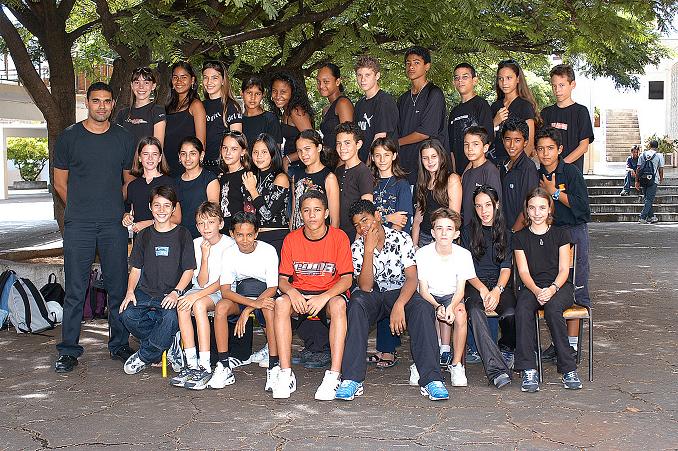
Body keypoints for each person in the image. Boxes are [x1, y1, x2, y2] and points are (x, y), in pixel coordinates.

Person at [53, 81, 136, 373]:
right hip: (79, 224)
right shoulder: (69, 137)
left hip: (113, 224)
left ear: (113, 104)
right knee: (75, 288)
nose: (101, 106)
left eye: (106, 101)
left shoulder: (124, 138)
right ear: (87, 103)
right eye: (96, 100)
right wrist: (80, 207)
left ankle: (119, 344)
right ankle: (68, 350)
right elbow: (60, 183)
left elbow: (128, 181)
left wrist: (115, 207)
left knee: (118, 287)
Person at [336, 200, 449, 401]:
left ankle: (432, 379)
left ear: (378, 216)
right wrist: (368, 250)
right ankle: (352, 379)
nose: (362, 228)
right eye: (357, 225)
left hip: (400, 292)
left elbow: (412, 278)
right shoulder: (357, 247)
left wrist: (399, 304)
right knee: (356, 304)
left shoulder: (401, 238)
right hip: (373, 294)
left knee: (422, 307)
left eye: (365, 220)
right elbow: (365, 287)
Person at [273, 190, 353, 400]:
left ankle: (334, 375)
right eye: (306, 211)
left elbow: (347, 279)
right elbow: (282, 280)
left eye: (317, 210)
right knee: (281, 303)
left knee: (338, 305)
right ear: (300, 214)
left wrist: (324, 297)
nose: (312, 215)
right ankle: (285, 373)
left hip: (328, 294)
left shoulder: (339, 237)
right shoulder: (291, 239)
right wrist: (292, 292)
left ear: (326, 213)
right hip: (301, 294)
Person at [119, 185, 196, 375]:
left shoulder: (183, 234)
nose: (162, 210)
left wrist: (176, 292)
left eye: (167, 205)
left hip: (171, 293)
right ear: (150, 207)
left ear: (174, 208)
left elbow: (189, 270)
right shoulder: (144, 235)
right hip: (146, 292)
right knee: (126, 315)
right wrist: (130, 292)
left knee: (170, 318)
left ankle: (145, 356)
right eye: (157, 205)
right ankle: (168, 341)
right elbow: (136, 269)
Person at [513, 187, 582, 392]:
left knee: (553, 309)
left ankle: (568, 369)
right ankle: (529, 369)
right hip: (531, 286)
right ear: (526, 210)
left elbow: (564, 270)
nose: (537, 213)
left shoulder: (561, 234)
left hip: (559, 286)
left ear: (549, 209)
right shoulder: (519, 237)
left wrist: (551, 289)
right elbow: (523, 272)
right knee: (522, 309)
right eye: (532, 208)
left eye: (542, 208)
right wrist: (537, 291)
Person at [535, 127, 591, 359]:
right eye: (540, 149)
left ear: (560, 149)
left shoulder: (571, 172)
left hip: (573, 234)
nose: (545, 153)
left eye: (550, 148)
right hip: (549, 235)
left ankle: (572, 346)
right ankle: (558, 343)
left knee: (575, 287)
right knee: (553, 289)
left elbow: (583, 208)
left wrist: (554, 193)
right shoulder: (536, 174)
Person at [209, 212, 280, 391]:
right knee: (221, 307)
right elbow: (225, 290)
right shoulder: (229, 253)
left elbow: (273, 287)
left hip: (264, 295)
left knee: (268, 308)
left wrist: (249, 309)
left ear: (256, 233)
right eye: (240, 235)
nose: (245, 240)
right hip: (241, 296)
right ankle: (224, 365)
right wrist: (251, 305)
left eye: (249, 234)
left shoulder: (268, 251)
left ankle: (274, 365)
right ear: (232, 234)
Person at [171, 202, 235, 389]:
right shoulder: (196, 244)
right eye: (201, 223)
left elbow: (223, 282)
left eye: (211, 222)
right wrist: (204, 257)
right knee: (182, 305)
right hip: (202, 289)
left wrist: (195, 297)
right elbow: (201, 281)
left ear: (220, 224)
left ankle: (205, 364)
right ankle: (191, 363)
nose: (206, 227)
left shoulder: (229, 245)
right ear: (197, 226)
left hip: (223, 291)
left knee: (198, 305)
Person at [461, 185, 515, 388]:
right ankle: (497, 370)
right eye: (478, 206)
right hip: (474, 283)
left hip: (499, 284)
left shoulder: (507, 233)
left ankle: (506, 349)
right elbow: (467, 269)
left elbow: (506, 268)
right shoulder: (467, 232)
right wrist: (483, 289)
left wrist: (497, 290)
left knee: (511, 313)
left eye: (488, 205)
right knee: (475, 311)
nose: (483, 211)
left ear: (496, 205)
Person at [367, 136, 413, 367]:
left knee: (391, 290)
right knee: (374, 291)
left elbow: (401, 221)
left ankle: (388, 349)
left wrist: (384, 223)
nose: (382, 159)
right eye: (377, 155)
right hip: (370, 244)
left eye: (386, 154)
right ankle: (379, 346)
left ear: (394, 155)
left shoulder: (401, 184)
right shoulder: (370, 183)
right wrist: (387, 217)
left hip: (394, 247)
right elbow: (366, 219)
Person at [415, 208, 474, 386]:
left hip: (451, 295)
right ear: (433, 232)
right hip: (429, 296)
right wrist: (437, 306)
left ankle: (456, 365)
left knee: (461, 313)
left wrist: (450, 306)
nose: (443, 233)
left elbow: (460, 290)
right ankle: (422, 363)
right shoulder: (422, 254)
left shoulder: (463, 255)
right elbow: (423, 290)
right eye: (439, 228)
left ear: (456, 234)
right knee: (422, 313)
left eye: (449, 228)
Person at [397, 46, 449, 185]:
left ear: (427, 66)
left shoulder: (434, 94)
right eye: (408, 63)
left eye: (416, 62)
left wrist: (396, 143)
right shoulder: (403, 99)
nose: (411, 67)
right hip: (405, 165)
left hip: (428, 167)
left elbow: (425, 132)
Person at [541, 64, 594, 174]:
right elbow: (539, 143)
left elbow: (584, 146)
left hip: (572, 173)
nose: (557, 90)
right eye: (554, 86)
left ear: (572, 84)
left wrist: (561, 166)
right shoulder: (546, 112)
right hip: (548, 173)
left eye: (561, 85)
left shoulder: (581, 112)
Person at [243, 133, 290, 255]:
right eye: (255, 152)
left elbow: (267, 214)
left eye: (264, 152)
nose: (259, 156)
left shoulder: (280, 178)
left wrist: (252, 190)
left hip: (275, 237)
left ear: (273, 153)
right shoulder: (252, 177)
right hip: (254, 238)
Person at [123, 136, 180, 234]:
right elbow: (129, 213)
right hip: (141, 239)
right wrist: (126, 217)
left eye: (154, 154)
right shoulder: (133, 186)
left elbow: (177, 218)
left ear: (160, 158)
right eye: (146, 154)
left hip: (164, 238)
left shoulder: (170, 183)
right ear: (139, 157)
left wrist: (149, 223)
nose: (150, 158)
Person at [412, 139, 461, 248]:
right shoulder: (422, 181)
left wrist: (437, 243)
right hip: (424, 237)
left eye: (434, 156)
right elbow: (418, 218)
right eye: (425, 158)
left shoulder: (452, 179)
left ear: (441, 157)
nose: (430, 161)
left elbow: (454, 217)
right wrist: (414, 246)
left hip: (444, 238)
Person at [448, 63, 494, 175]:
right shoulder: (454, 112)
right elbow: (451, 148)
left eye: (465, 77)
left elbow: (487, 139)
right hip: (458, 172)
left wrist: (467, 173)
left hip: (478, 171)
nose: (460, 80)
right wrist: (455, 173)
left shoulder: (481, 105)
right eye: (457, 78)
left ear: (474, 80)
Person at [290, 129, 340, 230]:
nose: (303, 154)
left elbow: (335, 220)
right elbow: (294, 211)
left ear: (319, 147)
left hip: (319, 235)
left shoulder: (329, 178)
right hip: (298, 234)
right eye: (299, 150)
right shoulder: (296, 176)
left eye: (307, 149)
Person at [490, 59, 538, 163]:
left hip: (516, 165)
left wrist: (516, 166)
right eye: (501, 79)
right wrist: (494, 123)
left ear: (517, 79)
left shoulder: (525, 106)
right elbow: (486, 139)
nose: (504, 83)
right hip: (495, 162)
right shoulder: (495, 106)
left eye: (509, 78)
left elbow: (529, 144)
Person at [164, 62, 206, 177]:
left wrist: (194, 172)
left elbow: (201, 142)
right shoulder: (167, 107)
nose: (179, 81)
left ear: (192, 80)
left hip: (187, 167)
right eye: (175, 77)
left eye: (183, 77)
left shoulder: (196, 105)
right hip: (167, 166)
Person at [354, 56, 399, 162]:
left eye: (367, 75)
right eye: (359, 75)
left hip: (380, 163)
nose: (363, 79)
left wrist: (368, 166)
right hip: (361, 160)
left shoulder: (384, 101)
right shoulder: (360, 104)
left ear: (377, 76)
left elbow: (379, 138)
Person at [334, 121, 374, 241]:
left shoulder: (363, 172)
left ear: (358, 144)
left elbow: (367, 210)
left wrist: (358, 239)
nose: (342, 148)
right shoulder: (338, 171)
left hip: (355, 235)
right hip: (338, 232)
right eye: (339, 144)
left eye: (347, 143)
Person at [202, 61, 243, 175]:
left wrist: (230, 170)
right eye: (205, 77)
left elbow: (237, 141)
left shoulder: (231, 106)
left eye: (214, 78)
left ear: (223, 80)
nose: (209, 82)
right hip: (202, 167)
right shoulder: (200, 106)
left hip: (223, 168)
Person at [268, 72, 314, 175]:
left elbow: (313, 141)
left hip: (301, 165)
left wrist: (288, 159)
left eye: (283, 92)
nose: (278, 96)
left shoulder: (296, 111)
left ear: (292, 92)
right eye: (274, 91)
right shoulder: (286, 111)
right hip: (293, 164)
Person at [500, 118, 539, 233]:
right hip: (503, 231)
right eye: (508, 139)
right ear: (503, 140)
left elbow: (528, 205)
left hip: (519, 233)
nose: (512, 145)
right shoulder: (503, 165)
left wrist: (513, 232)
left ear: (525, 142)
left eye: (517, 140)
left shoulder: (528, 168)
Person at [175, 136, 220, 238]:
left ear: (201, 155)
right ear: (179, 156)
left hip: (204, 235)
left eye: (193, 153)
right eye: (183, 154)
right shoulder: (175, 182)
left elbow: (213, 211)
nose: (187, 158)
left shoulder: (209, 178)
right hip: (181, 235)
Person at [114, 67, 166, 147]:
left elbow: (158, 148)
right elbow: (117, 143)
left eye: (146, 83)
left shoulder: (158, 111)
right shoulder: (122, 113)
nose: (141, 87)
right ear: (132, 85)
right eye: (137, 82)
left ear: (153, 86)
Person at [461, 126, 502, 227]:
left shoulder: (490, 171)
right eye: (466, 144)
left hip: (484, 230)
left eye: (475, 144)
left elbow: (495, 205)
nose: (470, 149)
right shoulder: (466, 174)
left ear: (485, 148)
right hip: (468, 229)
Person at [317, 63, 354, 162]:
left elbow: (348, 139)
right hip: (329, 161)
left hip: (341, 162)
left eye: (326, 81)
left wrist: (341, 166)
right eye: (318, 82)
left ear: (337, 81)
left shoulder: (342, 103)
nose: (321, 86)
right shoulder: (326, 109)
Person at [218, 131, 252, 231]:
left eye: (234, 149)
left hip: (240, 232)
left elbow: (250, 212)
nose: (228, 153)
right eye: (225, 148)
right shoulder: (221, 177)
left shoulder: (247, 176)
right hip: (223, 231)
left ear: (243, 151)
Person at [241, 76, 283, 148]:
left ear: (263, 95)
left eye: (258, 94)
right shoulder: (237, 120)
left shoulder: (270, 119)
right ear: (242, 94)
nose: (253, 97)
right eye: (249, 93)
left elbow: (276, 150)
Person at [635, 140, 665, 224]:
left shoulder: (643, 155)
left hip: (643, 179)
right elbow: (661, 169)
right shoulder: (659, 155)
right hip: (653, 180)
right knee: (649, 199)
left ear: (649, 146)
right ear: (657, 147)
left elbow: (638, 169)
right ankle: (642, 217)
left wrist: (637, 181)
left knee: (647, 199)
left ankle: (652, 217)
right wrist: (661, 179)